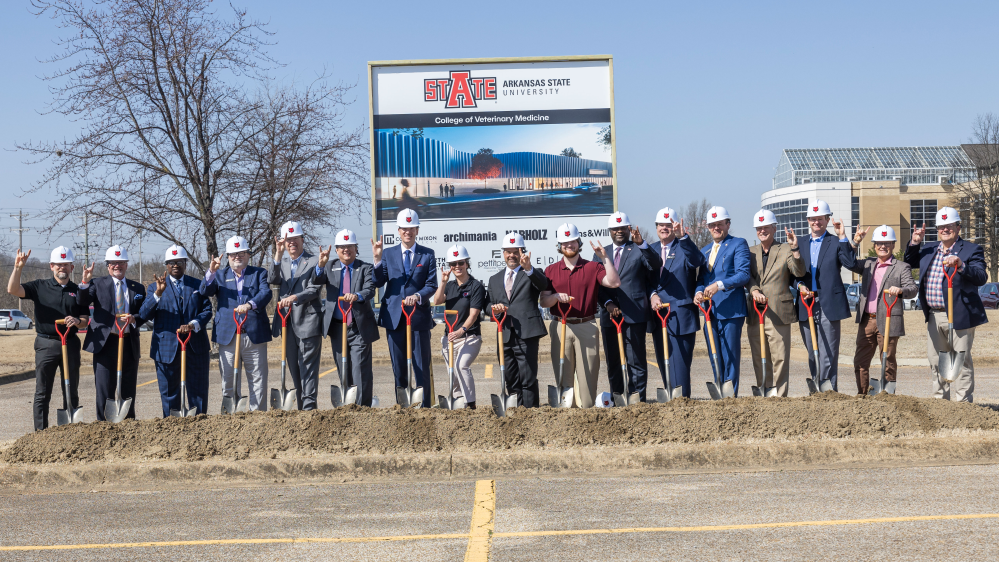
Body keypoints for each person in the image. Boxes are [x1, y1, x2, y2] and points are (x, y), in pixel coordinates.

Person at [904, 207, 988, 402]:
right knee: (936, 360)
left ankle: (963, 403)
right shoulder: (929, 248)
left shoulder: (971, 249)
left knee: (961, 359)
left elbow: (981, 276)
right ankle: (940, 402)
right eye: (941, 226)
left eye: (949, 226)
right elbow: (909, 261)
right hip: (934, 315)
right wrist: (915, 243)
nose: (945, 230)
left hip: (960, 314)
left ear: (958, 227)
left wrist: (961, 265)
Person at [539, 223, 620, 408]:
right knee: (563, 377)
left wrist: (605, 258)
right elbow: (543, 302)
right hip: (560, 326)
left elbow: (614, 282)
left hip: (587, 326)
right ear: (559, 245)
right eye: (565, 242)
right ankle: (567, 413)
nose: (569, 245)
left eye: (573, 241)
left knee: (587, 379)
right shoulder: (550, 270)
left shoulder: (593, 267)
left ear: (579, 242)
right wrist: (555, 297)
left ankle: (587, 413)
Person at [6, 246, 87, 430]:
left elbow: (84, 320)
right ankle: (40, 434)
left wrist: (77, 321)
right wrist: (18, 268)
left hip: (70, 343)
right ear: (51, 266)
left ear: (72, 268)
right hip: (46, 344)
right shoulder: (39, 286)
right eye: (58, 264)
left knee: (71, 390)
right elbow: (13, 289)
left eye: (65, 265)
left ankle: (72, 431)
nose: (62, 268)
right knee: (42, 392)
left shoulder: (78, 291)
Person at [372, 209, 438, 407]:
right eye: (404, 229)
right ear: (398, 231)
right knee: (399, 367)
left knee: (421, 366)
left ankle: (425, 407)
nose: (407, 232)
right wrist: (377, 260)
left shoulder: (427, 254)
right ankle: (403, 409)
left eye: (411, 228)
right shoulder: (388, 253)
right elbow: (378, 282)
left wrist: (417, 296)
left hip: (418, 317)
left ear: (417, 230)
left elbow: (431, 284)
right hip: (394, 317)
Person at [138, 245, 214, 416]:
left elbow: (207, 310)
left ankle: (199, 424)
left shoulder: (197, 285)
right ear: (166, 265)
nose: (175, 265)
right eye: (171, 262)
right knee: (169, 393)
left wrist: (193, 324)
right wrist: (158, 294)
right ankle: (171, 425)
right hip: (166, 349)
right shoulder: (154, 287)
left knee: (198, 392)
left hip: (196, 347)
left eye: (179, 262)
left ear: (185, 264)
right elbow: (143, 314)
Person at [842, 225, 918, 395]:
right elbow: (849, 262)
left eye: (887, 243)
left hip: (889, 318)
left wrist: (900, 290)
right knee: (860, 361)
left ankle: (887, 396)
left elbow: (913, 289)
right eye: (879, 243)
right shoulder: (868, 264)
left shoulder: (901, 267)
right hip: (867, 320)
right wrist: (855, 242)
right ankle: (862, 394)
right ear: (874, 245)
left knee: (887, 360)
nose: (883, 246)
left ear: (893, 245)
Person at [201, 236, 272, 411]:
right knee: (229, 382)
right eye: (233, 254)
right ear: (228, 257)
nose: (237, 257)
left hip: (254, 335)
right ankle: (231, 417)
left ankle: (258, 418)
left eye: (241, 253)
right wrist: (211, 271)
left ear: (248, 254)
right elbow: (205, 291)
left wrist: (249, 305)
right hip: (228, 336)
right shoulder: (220, 275)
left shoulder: (259, 273)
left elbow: (265, 293)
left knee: (258, 381)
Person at [77, 245, 148, 420]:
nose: (117, 266)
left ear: (126, 265)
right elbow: (82, 301)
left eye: (121, 262)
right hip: (105, 343)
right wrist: (84, 282)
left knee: (128, 389)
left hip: (129, 343)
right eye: (113, 263)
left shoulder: (137, 288)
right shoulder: (97, 284)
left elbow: (144, 313)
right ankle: (103, 424)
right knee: (104, 389)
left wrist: (134, 318)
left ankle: (128, 423)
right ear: (108, 265)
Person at [596, 212, 661, 402]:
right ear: (610, 231)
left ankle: (637, 399)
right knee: (614, 361)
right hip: (610, 317)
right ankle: (617, 398)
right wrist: (607, 303)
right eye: (615, 228)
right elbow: (596, 285)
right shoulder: (601, 253)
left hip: (634, 314)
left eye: (623, 228)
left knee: (636, 361)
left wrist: (642, 244)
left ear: (628, 229)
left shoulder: (638, 249)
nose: (619, 231)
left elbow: (655, 265)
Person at [792, 200, 854, 392]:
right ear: (808, 220)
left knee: (828, 352)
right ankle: (816, 388)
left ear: (827, 219)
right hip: (806, 302)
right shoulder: (799, 243)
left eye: (820, 219)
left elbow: (850, 263)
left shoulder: (836, 242)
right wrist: (800, 285)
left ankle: (829, 391)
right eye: (813, 219)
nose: (816, 222)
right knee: (813, 352)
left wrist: (842, 236)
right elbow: (791, 274)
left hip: (829, 302)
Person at [315, 229, 379, 407]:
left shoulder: (365, 268)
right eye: (342, 247)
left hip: (358, 327)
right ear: (336, 250)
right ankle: (348, 406)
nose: (346, 250)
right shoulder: (329, 266)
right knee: (343, 368)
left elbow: (370, 290)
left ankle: (362, 407)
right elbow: (316, 281)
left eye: (350, 246)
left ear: (356, 248)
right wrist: (320, 266)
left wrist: (357, 296)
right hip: (337, 328)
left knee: (360, 369)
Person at [746, 209, 806, 397]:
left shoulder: (786, 249)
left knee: (780, 357)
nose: (762, 231)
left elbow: (798, 272)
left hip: (778, 311)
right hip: (756, 311)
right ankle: (764, 390)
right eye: (759, 228)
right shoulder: (750, 252)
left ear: (774, 228)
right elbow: (747, 277)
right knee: (759, 356)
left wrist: (795, 250)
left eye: (766, 227)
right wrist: (754, 290)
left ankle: (780, 395)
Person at [485, 232, 549, 407]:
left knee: (528, 378)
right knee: (510, 378)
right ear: (503, 253)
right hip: (504, 334)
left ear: (522, 252)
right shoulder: (494, 279)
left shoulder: (532, 272)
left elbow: (544, 285)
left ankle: (530, 413)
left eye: (516, 252)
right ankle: (515, 413)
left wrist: (529, 269)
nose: (512, 255)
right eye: (508, 251)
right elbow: (487, 305)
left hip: (527, 333)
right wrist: (494, 309)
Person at [694, 206, 751, 396]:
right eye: (712, 225)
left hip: (731, 310)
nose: (716, 228)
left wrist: (719, 285)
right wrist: (698, 291)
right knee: (715, 355)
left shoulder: (738, 244)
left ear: (728, 224)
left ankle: (730, 395)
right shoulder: (705, 250)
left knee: (730, 356)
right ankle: (719, 392)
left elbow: (743, 274)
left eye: (720, 224)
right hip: (710, 311)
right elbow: (701, 280)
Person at [648, 209, 704, 398]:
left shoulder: (684, 246)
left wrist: (683, 237)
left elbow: (697, 261)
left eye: (668, 225)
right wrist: (652, 295)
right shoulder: (650, 249)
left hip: (681, 317)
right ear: (656, 227)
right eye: (661, 225)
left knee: (679, 367)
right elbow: (645, 280)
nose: (664, 228)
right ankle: (669, 403)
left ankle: (682, 403)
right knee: (663, 363)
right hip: (658, 316)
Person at [269, 221, 323, 410]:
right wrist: (277, 255)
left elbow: (314, 289)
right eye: (288, 240)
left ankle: (309, 408)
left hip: (308, 322)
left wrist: (295, 297)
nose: (291, 242)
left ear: (302, 239)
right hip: (287, 323)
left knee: (308, 368)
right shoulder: (281, 263)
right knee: (294, 368)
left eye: (295, 239)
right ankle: (301, 408)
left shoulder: (314, 261)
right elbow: (272, 279)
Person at [432, 245, 486, 408]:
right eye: (453, 264)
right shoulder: (449, 286)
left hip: (470, 337)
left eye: (460, 263)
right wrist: (443, 282)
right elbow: (437, 301)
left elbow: (474, 314)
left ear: (467, 264)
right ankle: (458, 403)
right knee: (453, 372)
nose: (457, 266)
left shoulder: (475, 286)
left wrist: (461, 330)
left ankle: (470, 403)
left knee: (461, 366)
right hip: (450, 337)